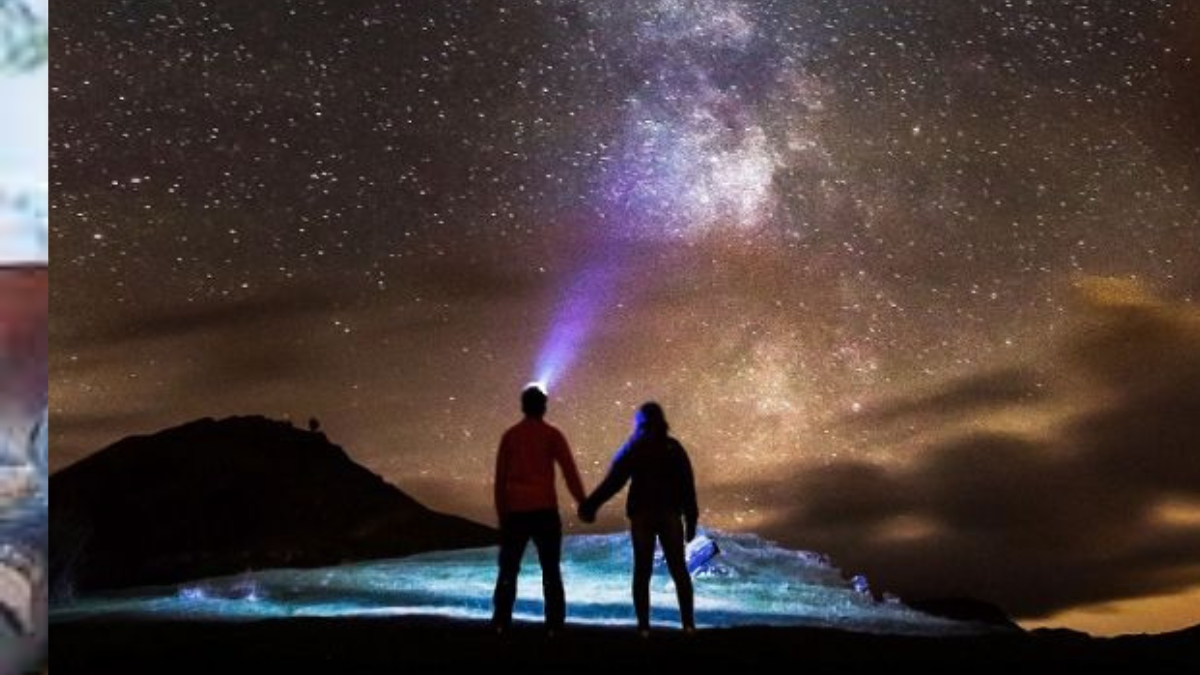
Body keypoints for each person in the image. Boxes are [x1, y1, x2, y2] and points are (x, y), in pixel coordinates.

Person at [578, 402, 698, 636]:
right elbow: (687, 486)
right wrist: (691, 519)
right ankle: (688, 625)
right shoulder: (673, 448)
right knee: (678, 569)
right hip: (670, 514)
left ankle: (644, 627)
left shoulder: (635, 448)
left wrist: (591, 505)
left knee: (642, 571)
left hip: (642, 514)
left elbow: (614, 481)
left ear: (640, 423)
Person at [491, 385, 587, 634]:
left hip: (516, 512)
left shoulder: (510, 436)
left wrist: (503, 516)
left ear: (523, 407)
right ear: (543, 407)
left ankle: (501, 622)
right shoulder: (552, 435)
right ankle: (554, 626)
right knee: (551, 570)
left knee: (508, 569)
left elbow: (500, 481)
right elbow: (569, 472)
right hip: (544, 510)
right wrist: (583, 502)